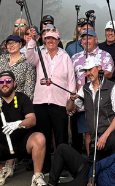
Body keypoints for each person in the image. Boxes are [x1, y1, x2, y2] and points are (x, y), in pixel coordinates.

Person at [26, 28, 77, 172]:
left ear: (58, 41)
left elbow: (70, 79)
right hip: (41, 101)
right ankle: (45, 167)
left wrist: (70, 98)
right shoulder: (39, 54)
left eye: (53, 39)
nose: (50, 41)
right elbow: (29, 58)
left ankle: (61, 167)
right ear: (44, 40)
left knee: (61, 136)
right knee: (43, 136)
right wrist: (32, 41)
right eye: (48, 38)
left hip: (59, 101)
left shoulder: (65, 56)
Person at [69, 55, 115, 156]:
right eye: (85, 71)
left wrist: (104, 136)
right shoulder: (84, 89)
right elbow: (70, 109)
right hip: (95, 136)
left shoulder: (112, 86)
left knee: (112, 148)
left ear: (99, 68)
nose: (88, 73)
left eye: (90, 69)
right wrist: (71, 99)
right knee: (94, 168)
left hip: (112, 132)